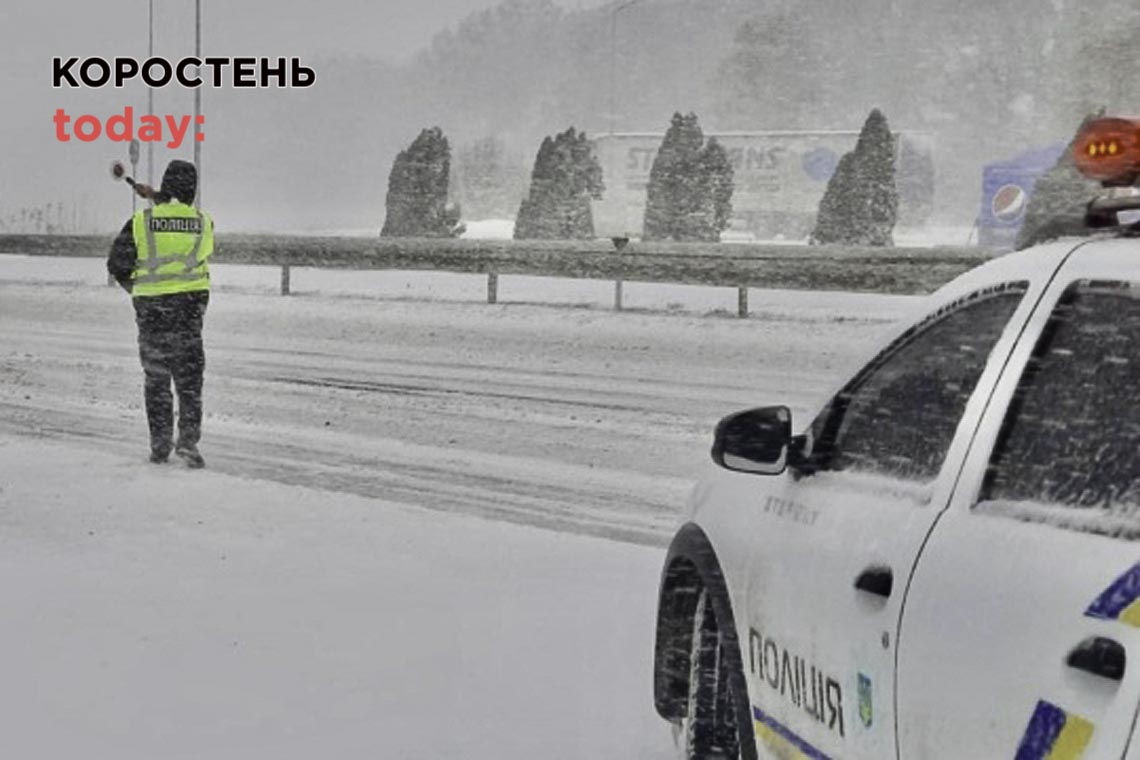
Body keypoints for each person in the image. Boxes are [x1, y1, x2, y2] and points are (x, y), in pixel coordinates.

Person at [107, 160, 214, 468]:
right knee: (190, 380)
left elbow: (117, 264)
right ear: (192, 190)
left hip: (152, 311)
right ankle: (189, 442)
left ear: (166, 186)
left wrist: (140, 291)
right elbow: (179, 226)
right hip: (190, 311)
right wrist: (160, 197)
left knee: (156, 379)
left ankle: (160, 445)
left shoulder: (141, 221)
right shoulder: (204, 222)